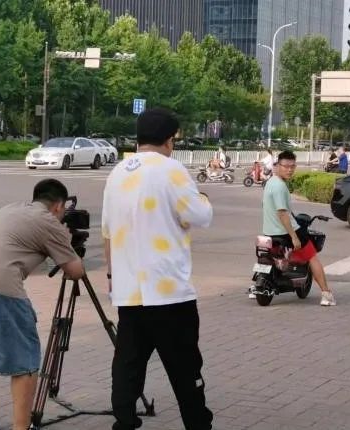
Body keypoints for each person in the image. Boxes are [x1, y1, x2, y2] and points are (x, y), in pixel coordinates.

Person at [102, 108, 214, 430]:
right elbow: (200, 215)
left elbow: (107, 233)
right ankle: (198, 424)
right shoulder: (171, 169)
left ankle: (124, 423)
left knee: (128, 366)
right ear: (169, 140)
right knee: (185, 368)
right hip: (168, 292)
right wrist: (203, 197)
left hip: (129, 292)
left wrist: (112, 277)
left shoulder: (116, 174)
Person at [0, 179, 85, 430]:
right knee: (25, 358)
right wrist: (66, 241)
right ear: (58, 206)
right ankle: (22, 426)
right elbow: (75, 271)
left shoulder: (12, 208)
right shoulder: (48, 222)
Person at [262, 150, 336, 306]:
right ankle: (326, 294)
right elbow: (282, 213)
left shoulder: (270, 182)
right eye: (286, 166)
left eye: (292, 166)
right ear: (277, 166)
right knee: (312, 257)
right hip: (287, 230)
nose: (289, 170)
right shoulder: (280, 187)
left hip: (269, 231)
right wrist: (294, 236)